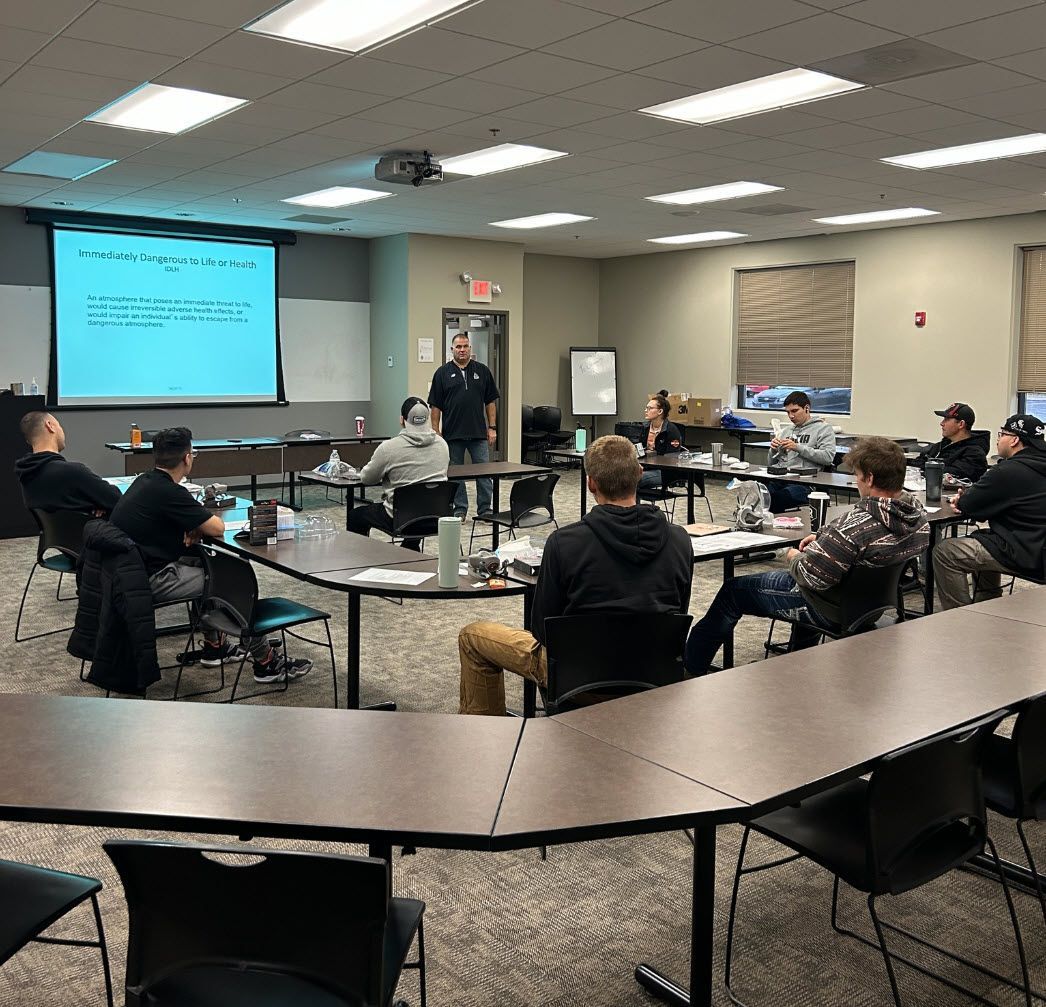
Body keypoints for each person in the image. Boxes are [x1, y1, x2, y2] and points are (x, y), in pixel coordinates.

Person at [458, 434, 693, 716]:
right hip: (653, 676)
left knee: (473, 636)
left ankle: (490, 741)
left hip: (579, 681)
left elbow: (542, 632)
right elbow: (680, 611)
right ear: (640, 474)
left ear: (590, 482)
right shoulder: (679, 540)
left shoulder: (564, 543)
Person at [686, 437, 928, 675]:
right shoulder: (918, 517)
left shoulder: (852, 528)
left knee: (733, 591)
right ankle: (800, 663)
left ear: (870, 477)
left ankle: (690, 668)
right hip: (872, 607)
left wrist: (792, 556)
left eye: (856, 475)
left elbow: (811, 578)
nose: (856, 481)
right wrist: (826, 542)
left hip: (830, 607)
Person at [109, 427, 311, 683]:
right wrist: (198, 522)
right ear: (187, 458)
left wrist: (191, 524)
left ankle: (215, 646)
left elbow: (163, 522)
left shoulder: (144, 483)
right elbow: (217, 527)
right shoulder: (170, 492)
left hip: (127, 575)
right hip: (147, 581)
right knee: (229, 580)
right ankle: (266, 661)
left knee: (206, 565)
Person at [933, 413, 1046, 609]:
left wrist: (962, 498)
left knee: (945, 552)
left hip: (1025, 552)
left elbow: (969, 505)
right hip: (1036, 545)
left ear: (1015, 440)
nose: (998, 439)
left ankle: (958, 619)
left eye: (1002, 434)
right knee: (982, 537)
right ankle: (988, 606)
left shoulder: (1008, 471)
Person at [348, 396, 450, 551]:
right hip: (435, 517)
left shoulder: (389, 448)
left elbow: (367, 478)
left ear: (402, 420)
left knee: (356, 516)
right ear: (427, 419)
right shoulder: (442, 444)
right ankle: (410, 549)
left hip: (399, 519)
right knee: (420, 504)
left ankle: (359, 560)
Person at [429, 332, 499, 518]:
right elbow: (435, 405)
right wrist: (436, 431)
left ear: (470, 348)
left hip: (478, 434)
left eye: (465, 346)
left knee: (484, 473)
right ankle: (460, 508)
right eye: (458, 347)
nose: (462, 350)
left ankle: (485, 509)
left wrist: (492, 427)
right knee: (455, 474)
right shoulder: (442, 373)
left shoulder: (482, 371)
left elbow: (490, 402)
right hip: (452, 434)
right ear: (452, 349)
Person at [15, 411, 120, 514]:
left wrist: (94, 505)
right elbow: (117, 499)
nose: (62, 431)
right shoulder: (72, 472)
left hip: (61, 531)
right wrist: (98, 504)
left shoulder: (26, 473)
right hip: (87, 529)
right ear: (50, 426)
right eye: (59, 426)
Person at [763, 390, 837, 513]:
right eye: (788, 412)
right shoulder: (786, 431)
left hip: (806, 484)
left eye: (794, 411)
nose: (791, 416)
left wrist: (798, 447)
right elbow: (771, 463)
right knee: (758, 492)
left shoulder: (823, 429)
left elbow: (828, 457)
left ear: (807, 408)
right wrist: (773, 450)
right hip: (782, 478)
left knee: (777, 498)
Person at [916, 402, 989, 481]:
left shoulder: (975, 454)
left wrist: (924, 468)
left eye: (946, 419)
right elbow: (919, 462)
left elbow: (952, 473)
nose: (941, 423)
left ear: (961, 424)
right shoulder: (941, 445)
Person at [638, 391, 684, 492]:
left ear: (660, 412)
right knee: (621, 477)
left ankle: (634, 507)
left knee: (632, 481)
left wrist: (651, 456)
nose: (646, 410)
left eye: (650, 408)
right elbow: (640, 449)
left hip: (663, 471)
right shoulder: (645, 428)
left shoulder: (671, 430)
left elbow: (672, 458)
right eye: (646, 408)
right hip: (646, 467)